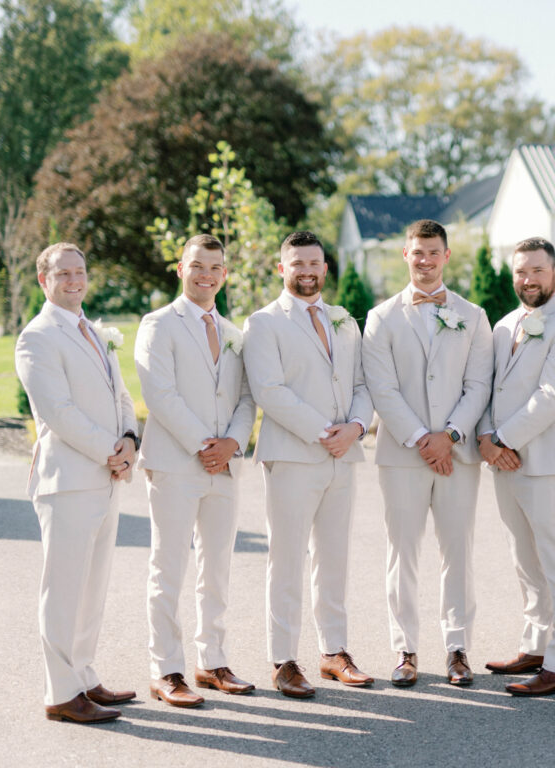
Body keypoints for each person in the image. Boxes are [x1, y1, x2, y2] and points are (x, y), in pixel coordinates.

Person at [242, 231, 375, 698]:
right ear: (282, 269)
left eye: (314, 263)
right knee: (287, 559)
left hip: (344, 454)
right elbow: (270, 391)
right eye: (297, 263)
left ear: (325, 267)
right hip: (294, 455)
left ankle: (333, 651)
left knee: (334, 558)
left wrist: (356, 427)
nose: (306, 271)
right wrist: (326, 432)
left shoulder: (344, 321)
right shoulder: (263, 323)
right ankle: (283, 660)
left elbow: (362, 382)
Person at [362, 219, 493, 687]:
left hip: (457, 456)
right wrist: (422, 438)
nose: (425, 260)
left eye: (433, 252)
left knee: (458, 552)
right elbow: (382, 387)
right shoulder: (380, 318)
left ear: (446, 256)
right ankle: (405, 649)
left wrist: (450, 436)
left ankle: (458, 649)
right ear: (405, 255)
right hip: (402, 455)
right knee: (403, 553)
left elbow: (479, 385)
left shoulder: (474, 316)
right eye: (417, 253)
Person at [15, 242, 138, 723]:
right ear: (44, 281)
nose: (74, 280)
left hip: (107, 476)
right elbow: (57, 413)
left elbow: (122, 394)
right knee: (63, 588)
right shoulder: (37, 337)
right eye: (63, 273)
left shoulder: (93, 330)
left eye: (80, 271)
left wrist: (130, 439)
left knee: (94, 585)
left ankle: (84, 675)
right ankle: (61, 693)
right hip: (67, 480)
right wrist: (111, 452)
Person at [135, 234, 256, 707]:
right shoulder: (157, 324)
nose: (206, 275)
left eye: (215, 267)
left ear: (224, 274)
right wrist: (205, 445)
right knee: (169, 567)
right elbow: (159, 393)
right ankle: (165, 669)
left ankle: (213, 660)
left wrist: (231, 444)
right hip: (175, 463)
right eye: (198, 266)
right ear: (180, 268)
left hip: (223, 467)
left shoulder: (234, 332)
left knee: (217, 566)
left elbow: (247, 397)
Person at [478, 237, 555, 697]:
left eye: (537, 271)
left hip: (547, 462)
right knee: (525, 560)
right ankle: (536, 644)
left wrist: (502, 439)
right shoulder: (506, 325)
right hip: (505, 461)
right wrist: (486, 440)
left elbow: (553, 396)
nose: (527, 280)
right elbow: (488, 389)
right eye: (521, 272)